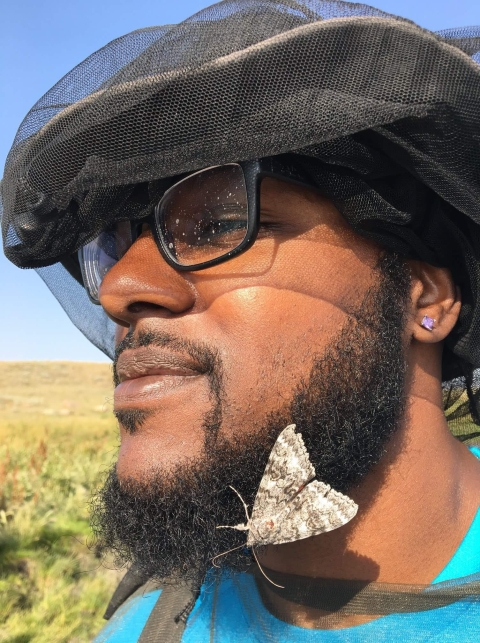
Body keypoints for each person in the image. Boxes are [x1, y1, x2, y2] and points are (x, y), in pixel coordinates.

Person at [2, 0, 480, 640]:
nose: (119, 289)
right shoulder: (148, 626)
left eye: (220, 224)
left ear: (426, 299)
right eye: (111, 248)